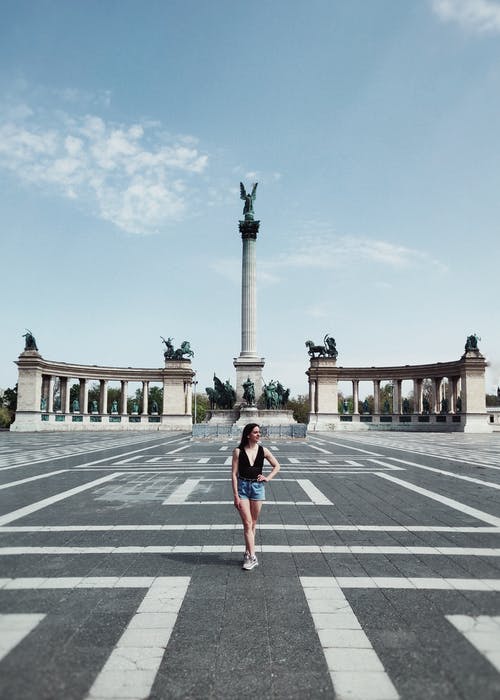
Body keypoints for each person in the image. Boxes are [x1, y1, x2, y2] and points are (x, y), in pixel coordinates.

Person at [231, 423, 280, 571]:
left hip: (258, 488)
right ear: (248, 435)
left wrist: (268, 478)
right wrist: (236, 496)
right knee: (247, 523)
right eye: (256, 432)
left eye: (259, 432)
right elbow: (234, 474)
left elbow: (277, 466)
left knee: (253, 522)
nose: (259, 435)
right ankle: (252, 556)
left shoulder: (263, 450)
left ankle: (247, 552)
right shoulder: (238, 451)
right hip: (243, 488)